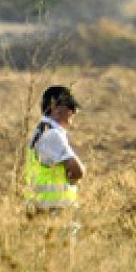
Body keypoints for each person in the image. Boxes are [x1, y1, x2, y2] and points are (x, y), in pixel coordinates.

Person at [23, 85, 84, 215]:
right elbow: (77, 171)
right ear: (55, 108)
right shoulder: (52, 135)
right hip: (55, 211)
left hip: (41, 208)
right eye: (71, 107)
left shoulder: (40, 131)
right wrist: (74, 178)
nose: (74, 112)